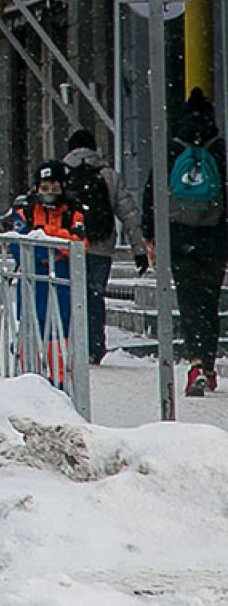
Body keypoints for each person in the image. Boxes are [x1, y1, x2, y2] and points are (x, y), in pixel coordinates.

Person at [142, 88, 228, 397]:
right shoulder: (219, 150)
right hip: (215, 240)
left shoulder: (171, 150)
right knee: (209, 303)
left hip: (179, 239)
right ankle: (208, 363)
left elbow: (152, 193)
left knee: (190, 303)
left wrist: (149, 233)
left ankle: (194, 362)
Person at [61, 128, 148, 363]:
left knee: (69, 294)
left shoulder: (61, 172)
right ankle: (95, 347)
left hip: (69, 246)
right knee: (94, 296)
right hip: (101, 245)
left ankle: (69, 344)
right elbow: (129, 214)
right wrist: (139, 250)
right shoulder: (108, 174)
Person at [4, 161, 87, 374]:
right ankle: (29, 379)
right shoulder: (26, 210)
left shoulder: (72, 211)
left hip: (62, 277)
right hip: (32, 276)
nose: (49, 194)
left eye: (54, 188)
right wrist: (54, 245)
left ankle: (60, 384)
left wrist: (45, 232)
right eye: (44, 188)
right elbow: (19, 244)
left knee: (61, 329)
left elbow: (79, 245)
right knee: (31, 326)